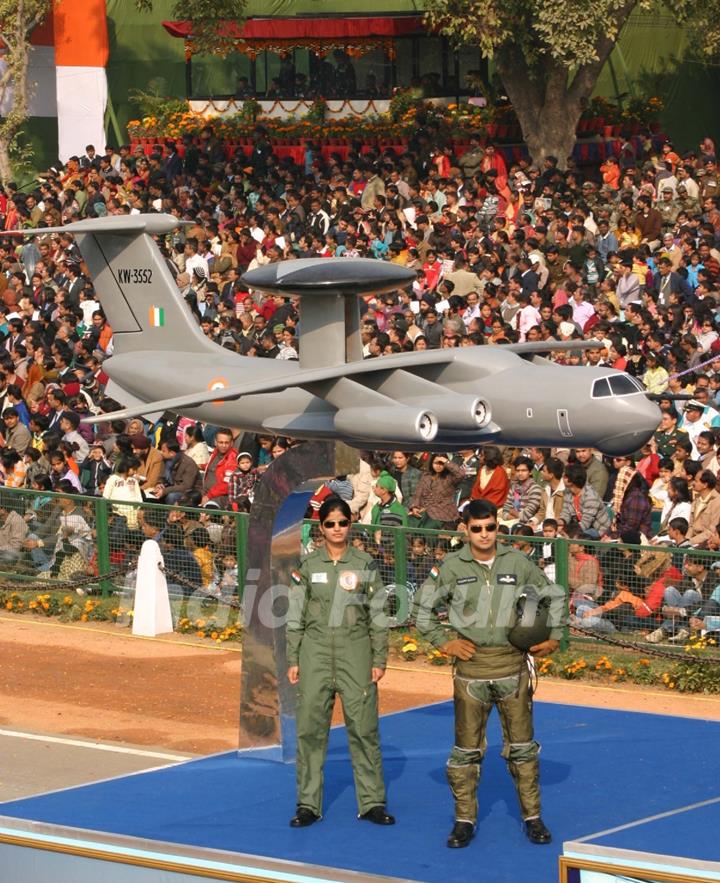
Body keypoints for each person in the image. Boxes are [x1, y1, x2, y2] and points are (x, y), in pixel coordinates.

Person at [414, 499, 566, 848]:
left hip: (513, 667)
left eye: (491, 527)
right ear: (465, 530)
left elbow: (553, 595)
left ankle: (533, 817)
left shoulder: (517, 562)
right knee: (466, 752)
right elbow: (422, 610)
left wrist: (555, 636)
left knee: (524, 749)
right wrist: (444, 642)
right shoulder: (450, 567)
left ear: (499, 527)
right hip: (472, 672)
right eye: (477, 528)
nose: (484, 534)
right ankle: (464, 820)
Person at [286, 497, 394, 828]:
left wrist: (379, 657)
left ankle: (372, 801)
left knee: (364, 730)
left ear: (351, 525)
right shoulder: (307, 566)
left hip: (356, 654)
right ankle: (308, 804)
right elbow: (295, 615)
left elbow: (378, 616)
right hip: (314, 655)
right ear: (321, 528)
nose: (336, 529)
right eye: (330, 523)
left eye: (342, 523)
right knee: (309, 731)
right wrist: (293, 657)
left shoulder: (365, 564)